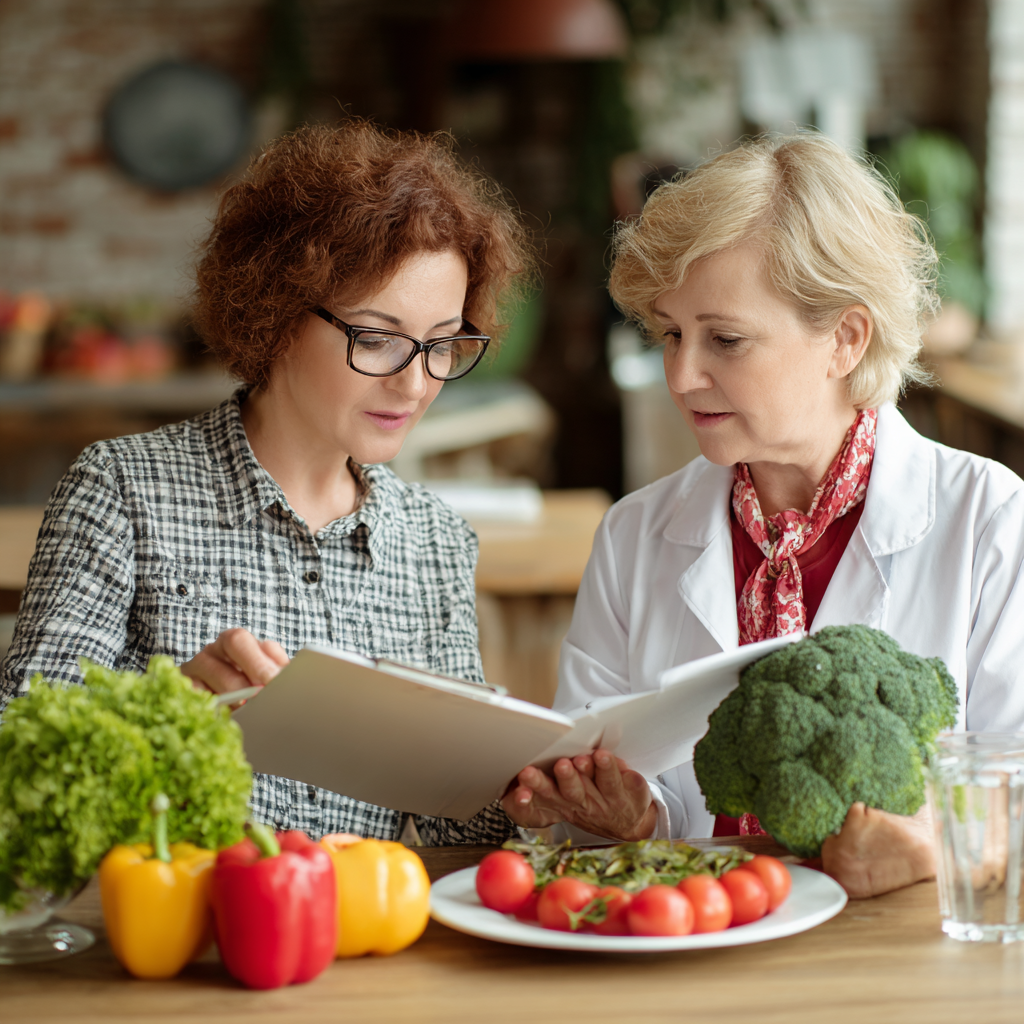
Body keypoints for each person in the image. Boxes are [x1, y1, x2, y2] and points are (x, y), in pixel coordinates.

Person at [501, 133, 1024, 896]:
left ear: (845, 337)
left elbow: (1011, 802)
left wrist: (942, 845)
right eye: (672, 333)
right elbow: (589, 820)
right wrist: (630, 817)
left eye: (726, 339)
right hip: (691, 955)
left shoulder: (993, 523)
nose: (681, 375)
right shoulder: (632, 535)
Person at [1, 120, 533, 845]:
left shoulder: (435, 542)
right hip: (166, 934)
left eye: (442, 344)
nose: (416, 383)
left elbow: (462, 836)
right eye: (376, 338)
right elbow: (17, 756)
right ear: (277, 315)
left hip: (355, 937)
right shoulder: (122, 491)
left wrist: (534, 789)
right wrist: (167, 707)